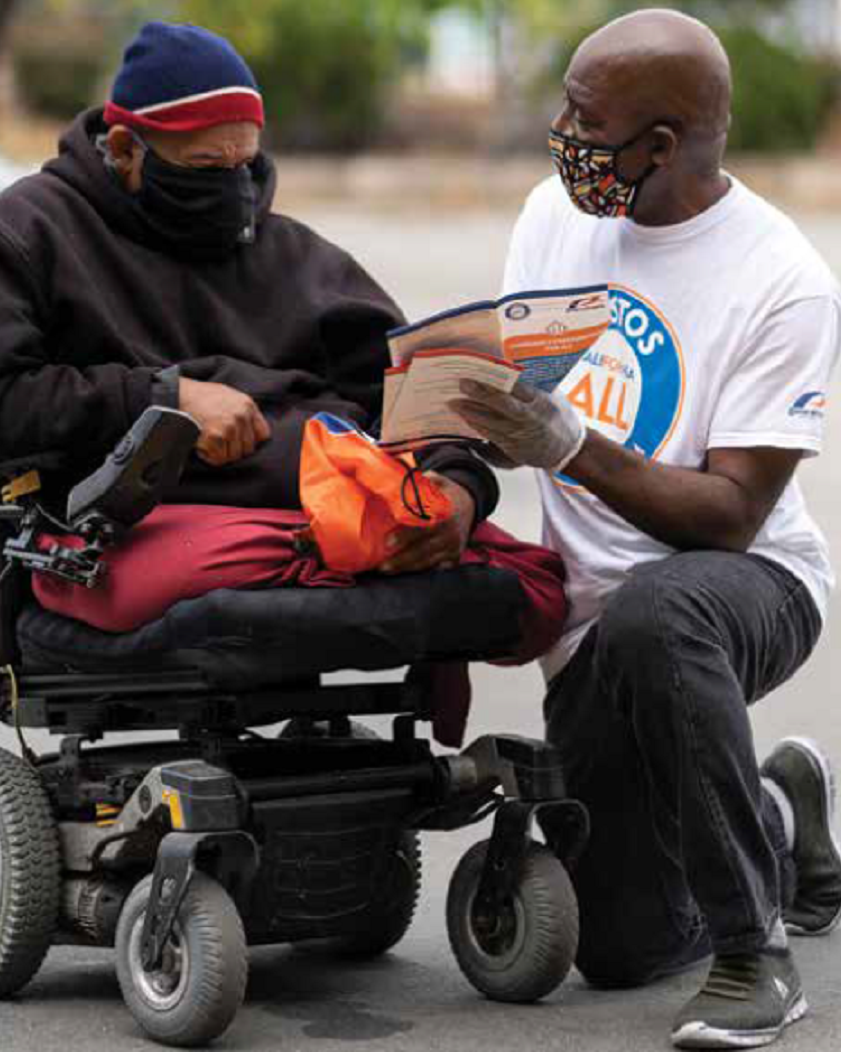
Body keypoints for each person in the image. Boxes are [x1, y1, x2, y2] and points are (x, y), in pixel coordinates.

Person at [452, 9, 841, 1050]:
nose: (559, 135)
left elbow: (728, 514)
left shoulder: (783, 280)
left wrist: (567, 443)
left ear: (660, 146)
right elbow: (533, 392)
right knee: (620, 944)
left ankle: (755, 955)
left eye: (583, 119)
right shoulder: (550, 214)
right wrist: (480, 421)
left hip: (745, 584)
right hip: (596, 622)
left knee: (657, 614)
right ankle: (775, 806)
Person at [0, 20, 497, 576]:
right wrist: (165, 400)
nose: (235, 189)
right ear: (124, 150)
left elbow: (398, 392)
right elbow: (11, 397)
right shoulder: (30, 230)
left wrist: (459, 485)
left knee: (487, 578)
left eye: (247, 164)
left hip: (326, 508)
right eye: (208, 167)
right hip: (126, 525)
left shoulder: (292, 253)